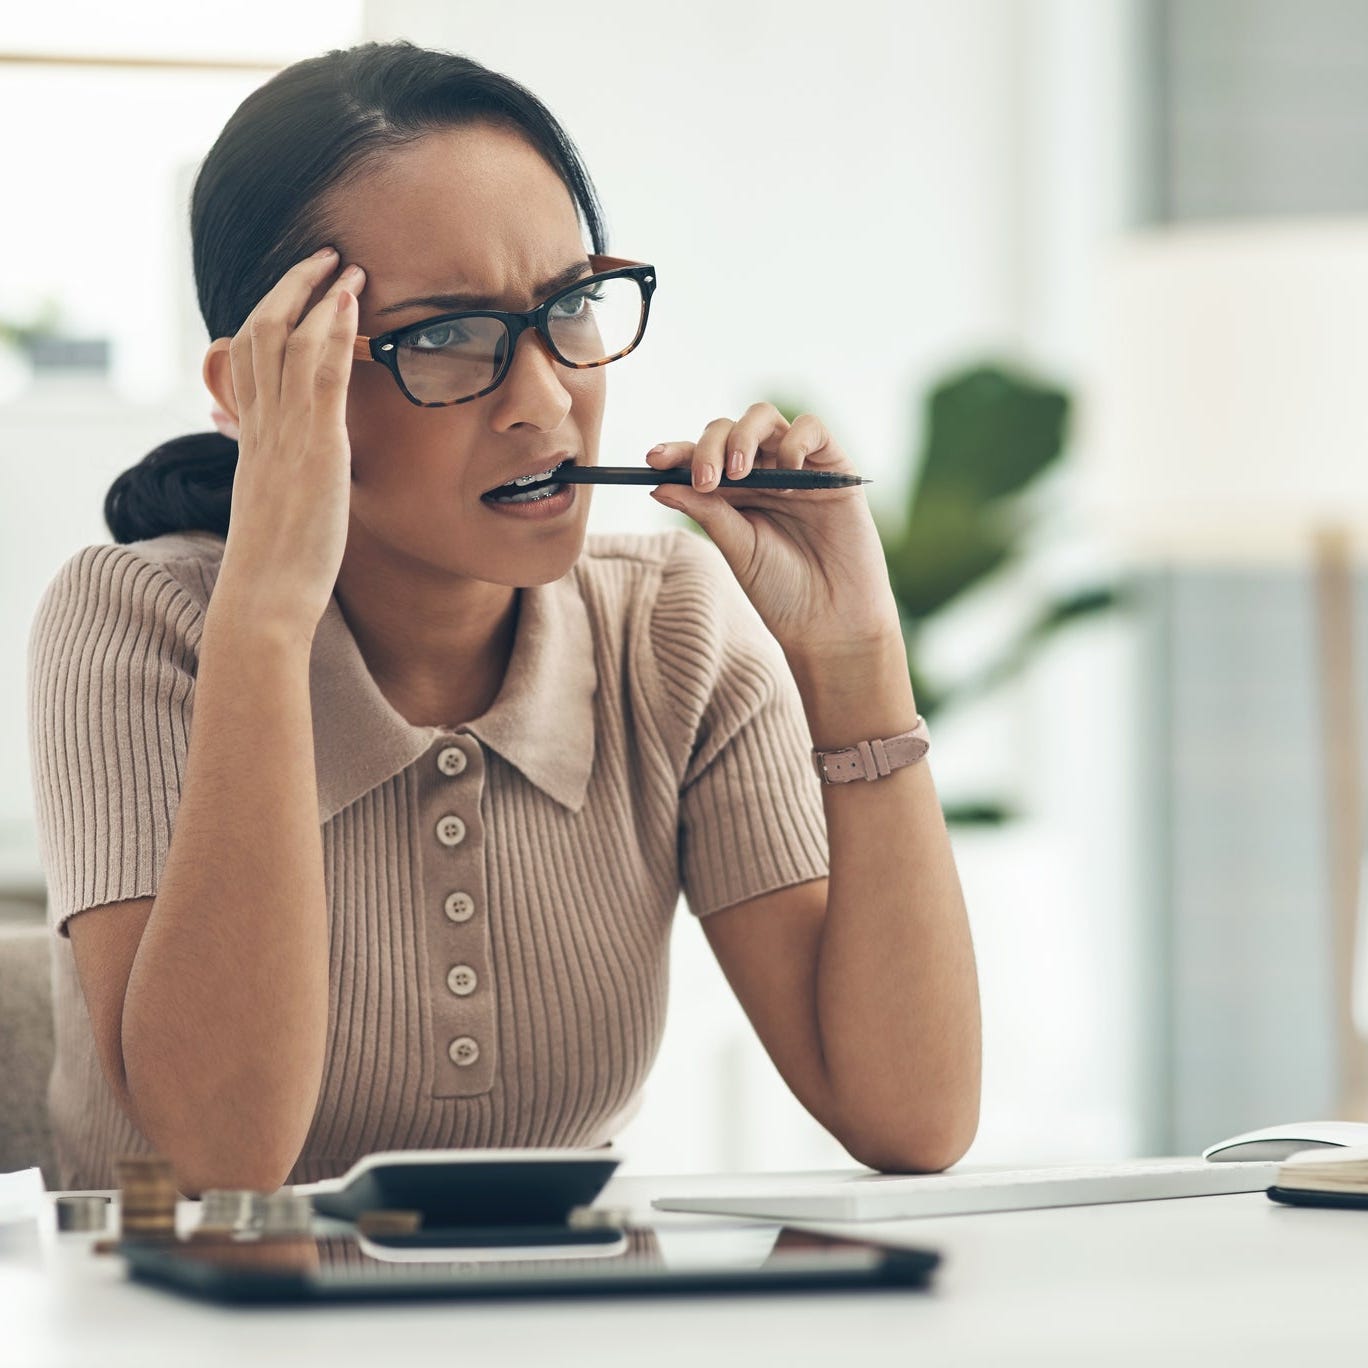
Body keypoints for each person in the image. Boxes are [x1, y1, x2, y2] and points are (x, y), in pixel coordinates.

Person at [26, 39, 981, 1196]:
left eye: (570, 307)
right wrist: (267, 616)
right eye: (445, 335)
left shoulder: (667, 628)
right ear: (255, 387)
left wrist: (857, 659)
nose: (546, 405)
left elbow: (911, 1118)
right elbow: (223, 1161)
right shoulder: (135, 623)